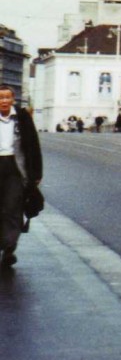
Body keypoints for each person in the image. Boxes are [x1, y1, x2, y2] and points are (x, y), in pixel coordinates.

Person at [0, 84, 43, 269]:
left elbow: (33, 145)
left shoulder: (22, 118)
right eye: (0, 98)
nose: (4, 101)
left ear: (13, 99)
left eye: (7, 97)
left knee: (12, 207)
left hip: (15, 168)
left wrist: (36, 174)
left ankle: (9, 248)